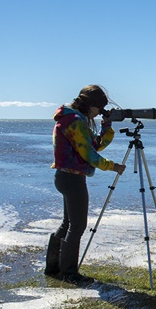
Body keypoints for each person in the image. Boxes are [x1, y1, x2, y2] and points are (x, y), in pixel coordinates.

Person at [45, 85, 126, 285]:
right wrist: (113, 166)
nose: (99, 113)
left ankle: (54, 268)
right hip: (72, 178)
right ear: (90, 105)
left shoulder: (73, 119)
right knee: (78, 225)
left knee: (68, 224)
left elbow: (93, 146)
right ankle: (69, 273)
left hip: (65, 177)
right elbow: (89, 155)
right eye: (99, 108)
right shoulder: (74, 121)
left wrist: (107, 129)